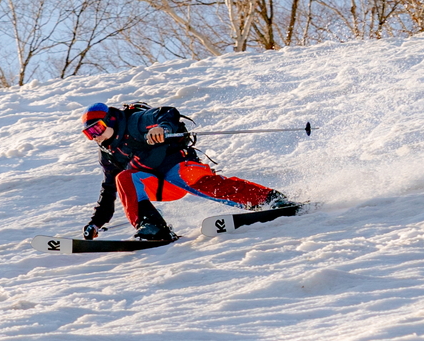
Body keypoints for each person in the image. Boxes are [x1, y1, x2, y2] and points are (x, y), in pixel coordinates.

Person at [79, 102, 299, 242]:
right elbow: (109, 191)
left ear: (110, 120)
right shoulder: (109, 154)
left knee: (194, 182)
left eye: (96, 129)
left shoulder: (134, 121)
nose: (95, 136)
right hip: (159, 184)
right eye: (89, 134)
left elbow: (166, 113)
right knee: (123, 178)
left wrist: (162, 129)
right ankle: (153, 228)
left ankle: (270, 199)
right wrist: (96, 223)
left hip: (180, 167)